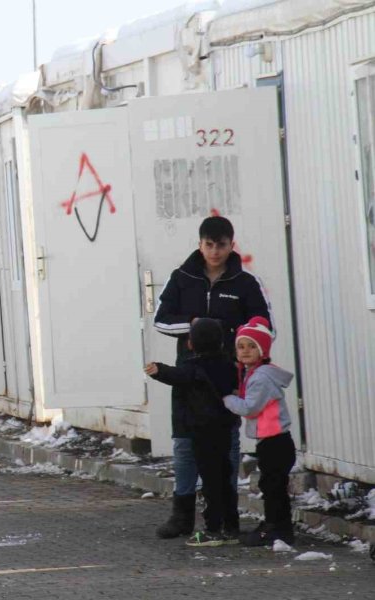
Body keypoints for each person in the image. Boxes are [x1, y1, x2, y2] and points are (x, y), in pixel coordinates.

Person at [152, 215, 271, 538]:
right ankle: (182, 514)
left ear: (232, 245)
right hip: (186, 374)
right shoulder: (182, 278)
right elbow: (161, 320)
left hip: (226, 376)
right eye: (209, 244)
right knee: (184, 443)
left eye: (221, 245)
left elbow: (263, 326)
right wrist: (197, 325)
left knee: (226, 445)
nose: (214, 251)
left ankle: (225, 514)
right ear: (200, 244)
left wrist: (229, 339)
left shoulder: (246, 283)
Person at [144, 318, 240, 546]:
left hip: (202, 433)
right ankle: (231, 528)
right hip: (225, 429)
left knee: (210, 482)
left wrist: (158, 370)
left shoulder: (194, 367)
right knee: (225, 479)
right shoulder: (228, 365)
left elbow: (179, 376)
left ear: (191, 344)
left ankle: (211, 530)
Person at [223, 317, 296, 546]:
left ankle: (277, 529)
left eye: (252, 346)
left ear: (263, 350)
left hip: (276, 442)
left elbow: (250, 408)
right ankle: (276, 526)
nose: (245, 351)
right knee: (271, 486)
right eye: (241, 346)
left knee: (273, 488)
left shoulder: (262, 377)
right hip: (271, 441)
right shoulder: (255, 373)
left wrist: (226, 398)